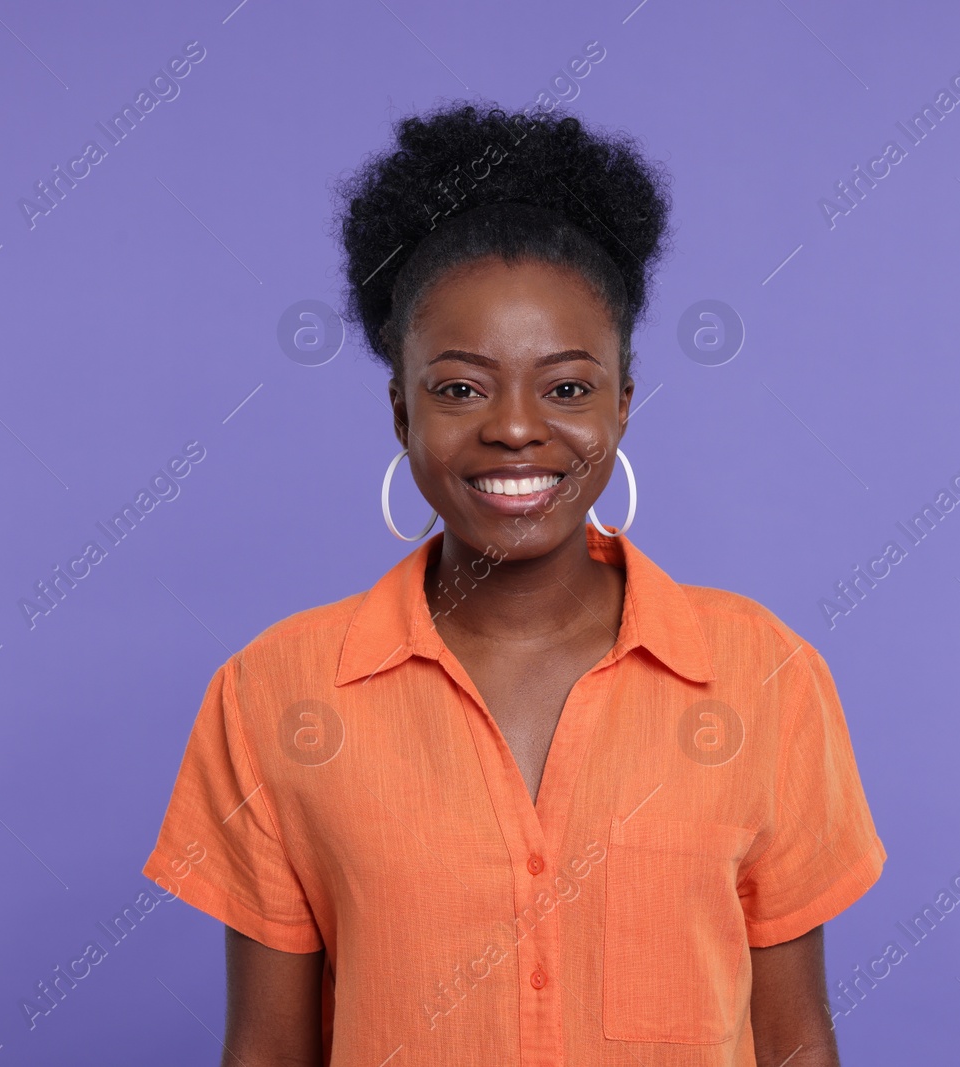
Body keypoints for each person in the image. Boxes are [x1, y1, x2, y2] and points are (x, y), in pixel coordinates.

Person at [142, 101, 886, 1066]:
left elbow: (796, 1042)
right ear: (401, 412)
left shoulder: (765, 675)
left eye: (568, 387)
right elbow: (267, 1051)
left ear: (623, 405)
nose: (517, 428)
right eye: (460, 387)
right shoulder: (273, 693)